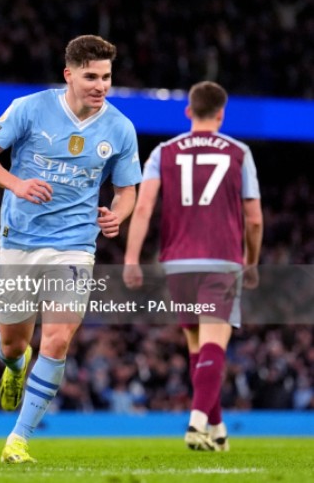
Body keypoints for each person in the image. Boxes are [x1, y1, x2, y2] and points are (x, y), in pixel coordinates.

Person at [0, 35, 142, 464]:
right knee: (13, 343)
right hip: (19, 239)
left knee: (59, 338)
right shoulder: (29, 109)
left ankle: (19, 438)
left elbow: (127, 192)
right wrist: (18, 184)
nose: (100, 85)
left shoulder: (120, 127)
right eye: (90, 76)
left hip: (75, 244)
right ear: (69, 75)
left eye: (106, 76)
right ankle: (13, 365)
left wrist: (118, 214)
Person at [123, 81, 263, 451]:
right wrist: (251, 261)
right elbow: (254, 220)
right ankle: (196, 422)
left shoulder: (163, 151)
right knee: (215, 344)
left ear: (188, 112)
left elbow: (143, 206)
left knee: (197, 346)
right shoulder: (239, 151)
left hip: (178, 262)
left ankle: (216, 429)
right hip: (220, 259)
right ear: (221, 114)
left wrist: (132, 258)